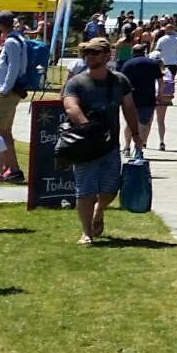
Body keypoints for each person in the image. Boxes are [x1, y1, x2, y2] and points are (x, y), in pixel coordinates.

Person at [60, 38, 140, 247]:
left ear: (108, 56)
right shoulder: (77, 82)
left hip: (110, 146)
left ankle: (100, 209)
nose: (90, 56)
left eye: (95, 52)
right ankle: (87, 232)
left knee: (110, 189)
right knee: (85, 191)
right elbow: (70, 106)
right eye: (87, 52)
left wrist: (136, 134)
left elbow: (129, 108)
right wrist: (88, 127)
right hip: (84, 146)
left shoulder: (120, 81)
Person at [0, 20, 32, 183]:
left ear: (0, 25)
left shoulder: (12, 42)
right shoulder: (20, 39)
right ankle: (11, 169)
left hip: (7, 92)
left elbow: (14, 66)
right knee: (5, 132)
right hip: (13, 91)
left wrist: (4, 89)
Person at [118, 41, 165, 156]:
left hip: (131, 98)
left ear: (132, 52)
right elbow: (160, 81)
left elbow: (121, 81)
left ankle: (127, 146)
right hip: (148, 97)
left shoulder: (127, 64)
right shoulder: (153, 64)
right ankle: (139, 148)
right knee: (144, 123)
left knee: (129, 123)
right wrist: (160, 94)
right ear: (143, 52)